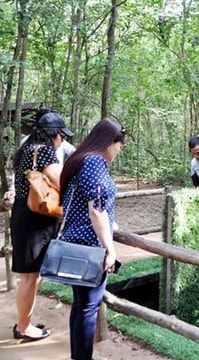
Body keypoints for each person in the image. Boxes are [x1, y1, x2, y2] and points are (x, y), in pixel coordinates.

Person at [59, 118, 126, 360]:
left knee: (81, 307)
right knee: (87, 308)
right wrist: (111, 249)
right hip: (90, 246)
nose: (118, 152)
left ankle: (79, 356)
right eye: (119, 146)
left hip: (77, 242)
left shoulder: (80, 159)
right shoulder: (94, 162)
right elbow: (95, 209)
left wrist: (111, 223)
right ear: (110, 142)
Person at [7, 111, 74, 341]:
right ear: (53, 134)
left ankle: (25, 321)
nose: (62, 140)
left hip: (27, 215)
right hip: (35, 220)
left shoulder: (27, 149)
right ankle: (24, 326)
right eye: (62, 136)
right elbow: (60, 180)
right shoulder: (44, 152)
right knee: (29, 276)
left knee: (33, 275)